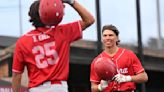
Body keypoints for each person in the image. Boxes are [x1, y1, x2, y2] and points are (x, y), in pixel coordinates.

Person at [12, 0, 95, 92]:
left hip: (36, 89)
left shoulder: (23, 41)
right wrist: (72, 2)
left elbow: (17, 74)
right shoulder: (62, 32)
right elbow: (89, 20)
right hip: (58, 87)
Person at [90, 25, 148, 92]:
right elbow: (93, 88)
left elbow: (144, 77)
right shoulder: (97, 61)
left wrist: (127, 78)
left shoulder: (129, 54)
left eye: (110, 35)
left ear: (117, 38)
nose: (107, 38)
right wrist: (100, 87)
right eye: (105, 36)